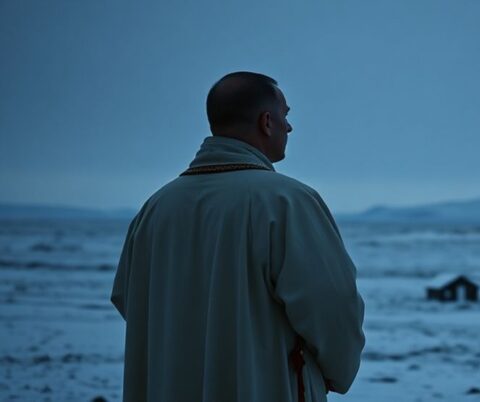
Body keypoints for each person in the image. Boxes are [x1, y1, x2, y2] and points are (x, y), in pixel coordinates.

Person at [111, 72, 365, 402]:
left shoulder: (157, 208)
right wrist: (335, 372)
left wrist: (181, 349)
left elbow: (129, 299)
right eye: (286, 115)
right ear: (266, 122)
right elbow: (332, 306)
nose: (289, 127)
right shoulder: (286, 202)